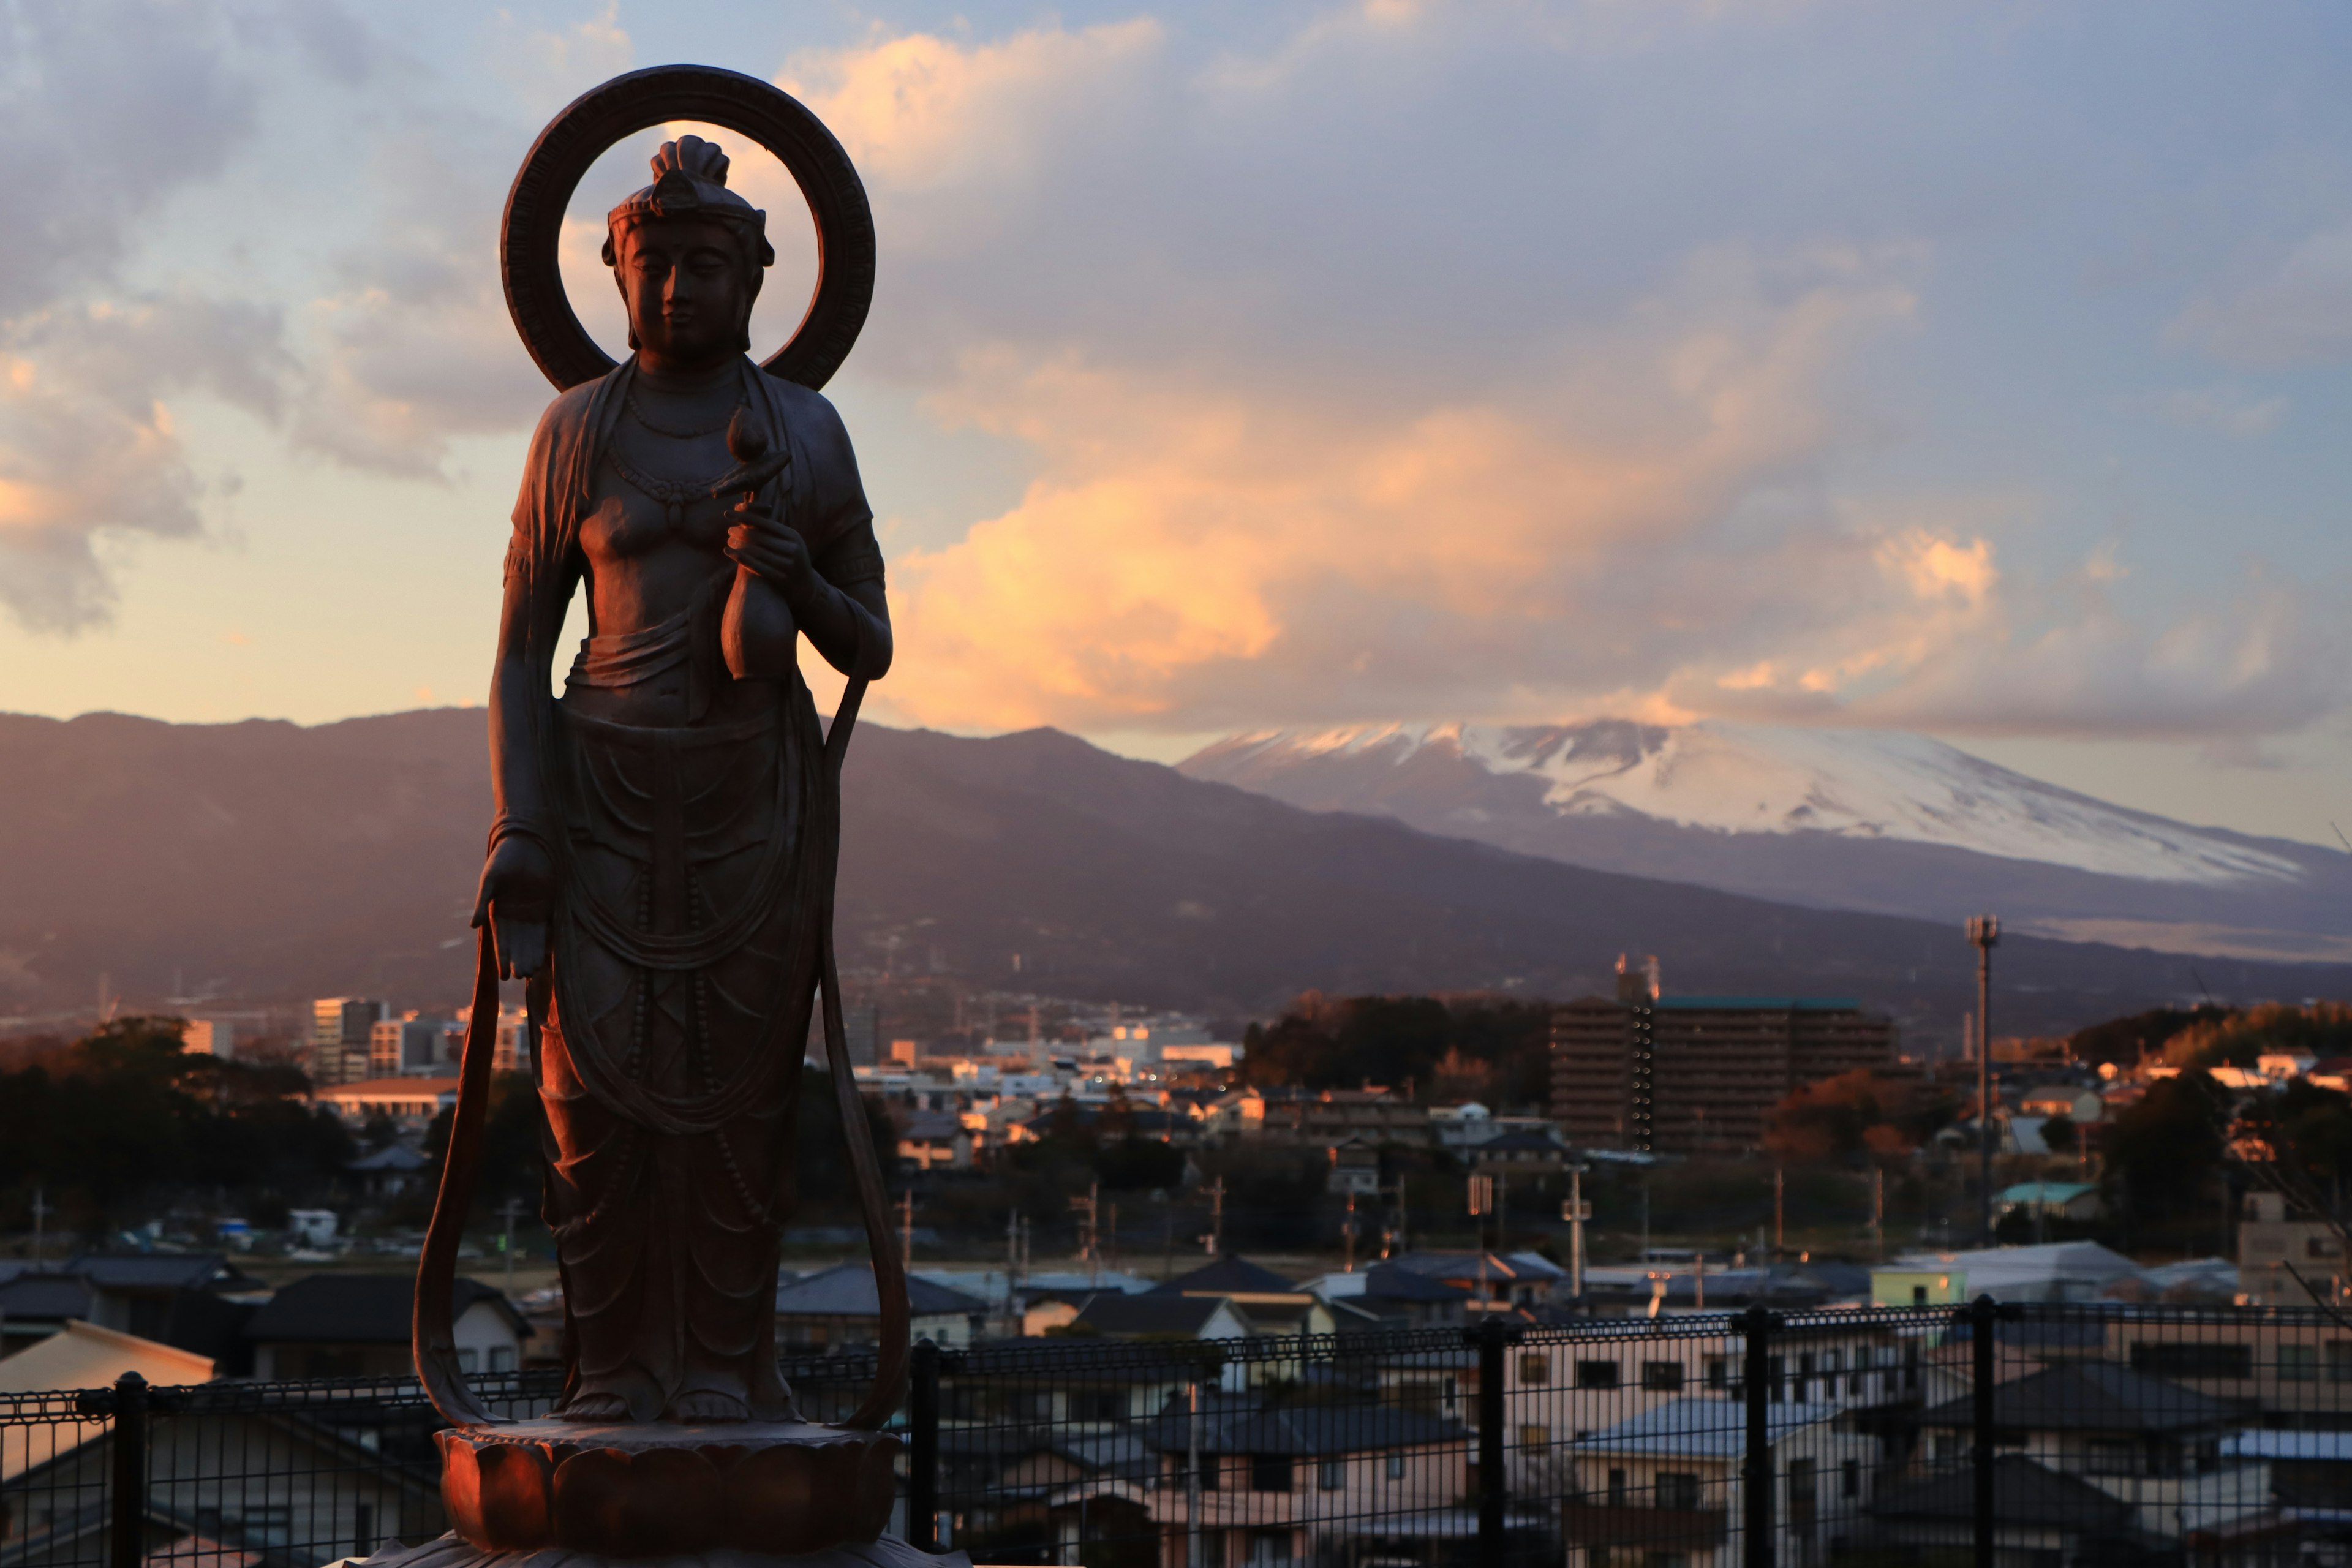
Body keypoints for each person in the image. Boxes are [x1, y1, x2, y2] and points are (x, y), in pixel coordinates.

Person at [470, 135, 889, 1423]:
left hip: (749, 799)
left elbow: (868, 641)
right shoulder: (573, 430)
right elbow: (518, 652)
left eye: (709, 266)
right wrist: (517, 821)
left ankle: (723, 1373)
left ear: (758, 277)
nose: (679, 293)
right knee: (588, 1100)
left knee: (735, 1106)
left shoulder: (805, 429)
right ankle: (610, 1377)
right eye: (656, 268)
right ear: (613, 273)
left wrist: (798, 571)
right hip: (595, 788)